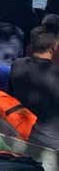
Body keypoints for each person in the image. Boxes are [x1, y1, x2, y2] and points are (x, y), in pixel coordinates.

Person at [9, 15, 59, 149]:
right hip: (53, 141)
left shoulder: (17, 65)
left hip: (24, 132)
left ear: (31, 46)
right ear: (53, 48)